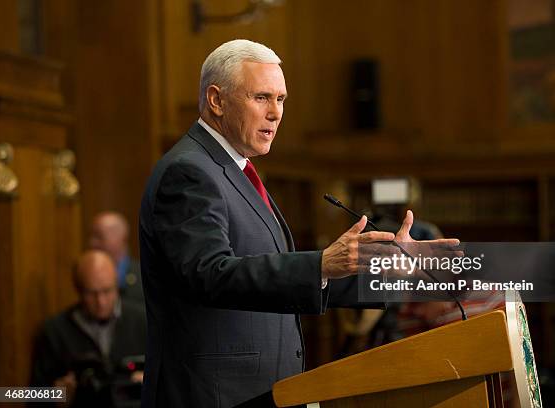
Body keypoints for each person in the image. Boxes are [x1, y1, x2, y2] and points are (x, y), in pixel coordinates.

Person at [139, 39, 457, 407]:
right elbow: (209, 274)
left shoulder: (234, 169)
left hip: (262, 391)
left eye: (281, 99)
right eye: (261, 97)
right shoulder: (190, 171)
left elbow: (282, 279)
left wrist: (385, 273)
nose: (275, 113)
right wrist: (320, 263)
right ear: (216, 100)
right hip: (214, 395)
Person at [31, 250, 147, 407]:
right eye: (91, 293)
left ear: (117, 285)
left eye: (107, 291)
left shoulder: (143, 321)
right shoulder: (54, 331)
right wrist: (55, 395)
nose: (101, 302)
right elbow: (28, 395)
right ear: (78, 290)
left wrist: (152, 383)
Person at [89, 211, 144, 304]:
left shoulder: (143, 277)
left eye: (99, 236)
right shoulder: (88, 274)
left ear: (120, 237)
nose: (92, 242)